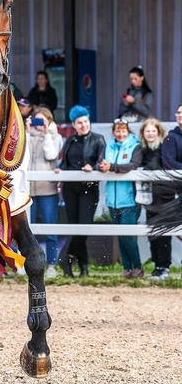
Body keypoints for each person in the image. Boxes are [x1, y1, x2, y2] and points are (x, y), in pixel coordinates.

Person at [56, 105, 106, 278]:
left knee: (83, 227)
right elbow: (65, 162)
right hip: (71, 189)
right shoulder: (70, 140)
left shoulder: (98, 139)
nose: (84, 125)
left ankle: (66, 257)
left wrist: (92, 167)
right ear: (74, 125)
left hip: (89, 188)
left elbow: (101, 161)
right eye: (80, 122)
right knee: (75, 227)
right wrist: (60, 170)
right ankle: (84, 267)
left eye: (86, 121)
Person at [98, 118, 144, 278]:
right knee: (120, 234)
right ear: (113, 132)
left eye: (123, 130)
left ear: (128, 131)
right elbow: (100, 162)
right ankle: (127, 268)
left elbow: (133, 165)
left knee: (126, 234)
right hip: (112, 198)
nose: (120, 134)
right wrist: (101, 167)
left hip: (130, 199)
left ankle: (137, 266)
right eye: (117, 130)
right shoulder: (108, 146)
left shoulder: (135, 146)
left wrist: (112, 167)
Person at [26, 106, 63, 278]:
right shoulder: (28, 137)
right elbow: (22, 156)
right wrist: (26, 133)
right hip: (28, 190)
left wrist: (47, 133)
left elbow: (51, 155)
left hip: (47, 189)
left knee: (50, 229)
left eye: (42, 120)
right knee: (26, 231)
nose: (39, 124)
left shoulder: (56, 137)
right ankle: (25, 264)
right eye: (36, 120)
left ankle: (51, 265)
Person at [139, 118, 174, 280]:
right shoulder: (143, 149)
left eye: (153, 131)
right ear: (143, 134)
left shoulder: (163, 147)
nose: (150, 134)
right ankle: (156, 266)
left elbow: (155, 164)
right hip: (149, 198)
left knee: (164, 232)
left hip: (164, 197)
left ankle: (164, 266)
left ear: (159, 132)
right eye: (147, 131)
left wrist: (142, 171)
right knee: (152, 232)